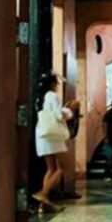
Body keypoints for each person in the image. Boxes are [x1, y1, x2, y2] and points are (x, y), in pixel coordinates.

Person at [34, 72, 75, 206]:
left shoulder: (41, 97)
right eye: (57, 83)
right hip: (53, 136)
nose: (58, 85)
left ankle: (43, 200)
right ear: (53, 84)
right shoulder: (53, 96)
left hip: (43, 133)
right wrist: (70, 110)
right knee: (61, 168)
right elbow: (59, 116)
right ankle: (43, 193)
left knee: (51, 168)